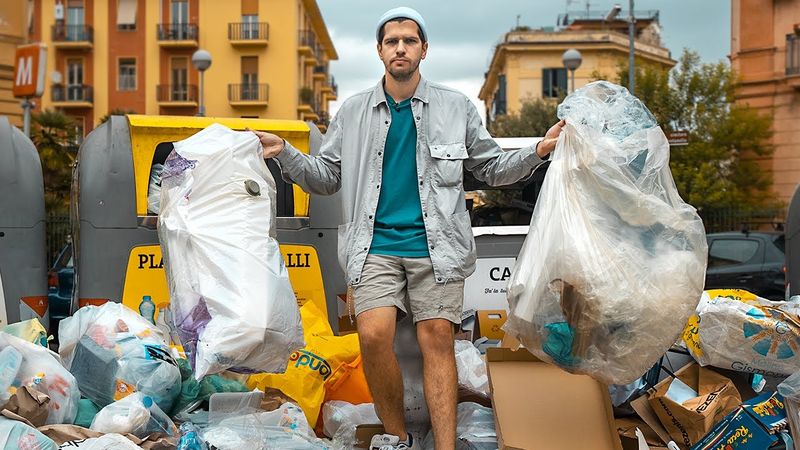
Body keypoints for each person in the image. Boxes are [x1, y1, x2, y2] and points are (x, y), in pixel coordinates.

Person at [254, 7, 564, 449]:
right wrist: (285, 152)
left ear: (423, 49)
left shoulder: (456, 108)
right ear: (380, 51)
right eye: (392, 41)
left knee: (436, 336)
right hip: (373, 246)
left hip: (436, 247)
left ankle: (445, 445)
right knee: (373, 332)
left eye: (409, 40)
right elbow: (326, 177)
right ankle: (397, 438)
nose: (401, 48)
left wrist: (539, 149)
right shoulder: (354, 110)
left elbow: (492, 168)